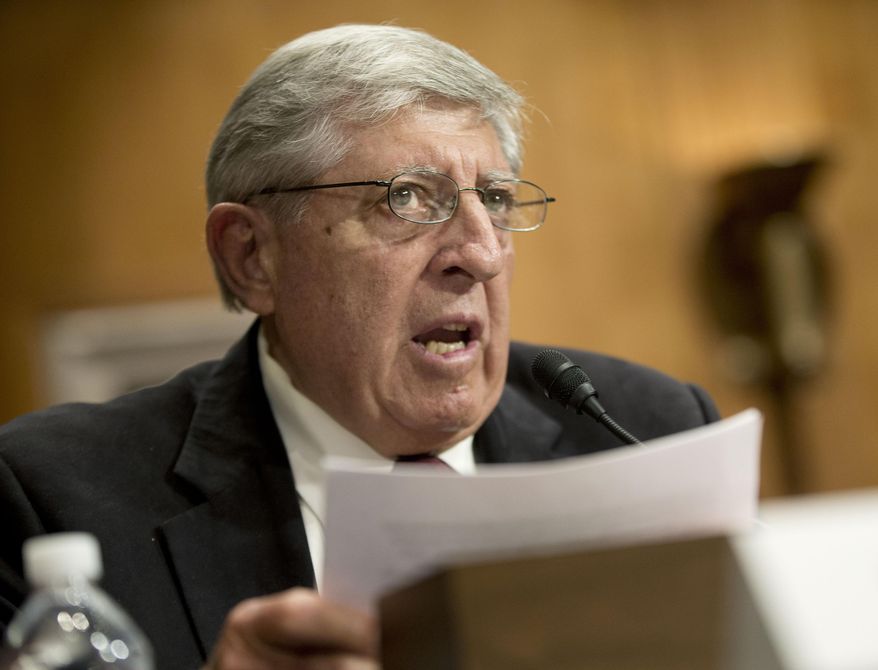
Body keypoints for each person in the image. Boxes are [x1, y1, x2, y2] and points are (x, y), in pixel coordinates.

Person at [0, 24, 719, 669]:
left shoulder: (646, 433)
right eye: (407, 198)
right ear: (252, 256)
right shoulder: (49, 496)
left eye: (495, 199)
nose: (480, 253)